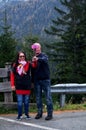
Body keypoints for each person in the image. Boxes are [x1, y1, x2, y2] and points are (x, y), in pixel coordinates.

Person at [10, 51, 37, 120]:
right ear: (18, 57)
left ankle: (27, 114)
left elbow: (34, 66)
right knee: (19, 102)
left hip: (26, 85)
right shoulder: (15, 65)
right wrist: (12, 85)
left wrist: (34, 61)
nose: (22, 57)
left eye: (23, 56)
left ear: (25, 57)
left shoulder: (28, 63)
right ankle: (19, 115)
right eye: (20, 56)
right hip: (18, 85)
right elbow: (12, 75)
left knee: (26, 101)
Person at [31, 43, 53, 120]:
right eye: (35, 48)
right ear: (33, 50)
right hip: (37, 81)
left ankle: (50, 114)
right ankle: (39, 113)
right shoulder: (33, 58)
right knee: (38, 98)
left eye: (37, 48)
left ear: (40, 48)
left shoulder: (44, 56)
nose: (36, 49)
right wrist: (32, 81)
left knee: (48, 98)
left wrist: (38, 59)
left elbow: (45, 60)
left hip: (45, 80)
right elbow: (33, 71)